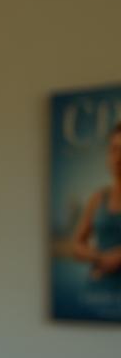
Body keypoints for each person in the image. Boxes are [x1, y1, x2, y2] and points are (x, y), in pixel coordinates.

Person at [71, 120, 121, 280]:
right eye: (114, 149)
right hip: (98, 291)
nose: (118, 156)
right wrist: (99, 258)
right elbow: (77, 245)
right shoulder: (98, 198)